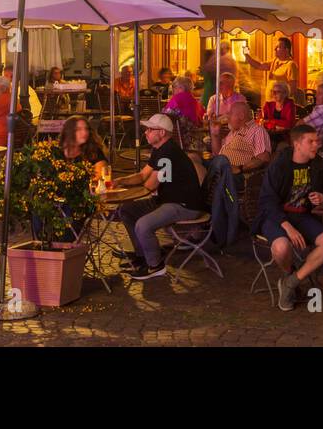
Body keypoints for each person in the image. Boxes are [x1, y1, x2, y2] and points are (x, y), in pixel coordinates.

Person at [256, 124, 323, 310]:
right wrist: (287, 226)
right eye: (310, 141)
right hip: (277, 217)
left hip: (303, 216)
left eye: (316, 141)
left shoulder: (317, 163)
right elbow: (267, 201)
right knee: (282, 246)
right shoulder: (279, 166)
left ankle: (291, 282)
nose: (316, 145)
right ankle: (289, 272)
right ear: (297, 144)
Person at [112, 113, 204, 280]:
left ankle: (155, 265)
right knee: (126, 210)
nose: (146, 132)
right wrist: (119, 181)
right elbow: (142, 175)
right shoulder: (159, 150)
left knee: (143, 225)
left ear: (162, 133)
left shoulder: (168, 153)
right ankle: (143, 256)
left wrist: (125, 191)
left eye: (150, 129)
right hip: (166, 200)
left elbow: (150, 185)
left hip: (183, 205)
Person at [204, 99, 272, 249]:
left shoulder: (257, 131)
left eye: (230, 114)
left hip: (241, 177)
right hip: (221, 173)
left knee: (221, 163)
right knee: (194, 159)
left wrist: (240, 168)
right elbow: (217, 153)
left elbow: (264, 158)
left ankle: (202, 198)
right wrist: (215, 135)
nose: (227, 117)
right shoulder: (232, 133)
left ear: (241, 116)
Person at [245, 36, 299, 102]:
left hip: (280, 104)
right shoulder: (275, 61)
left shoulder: (291, 65)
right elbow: (259, 66)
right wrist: (246, 55)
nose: (275, 49)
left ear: (286, 49)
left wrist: (281, 102)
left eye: (278, 47)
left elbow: (292, 89)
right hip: (270, 102)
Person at [162, 75, 203, 150]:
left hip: (177, 140)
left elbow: (165, 117)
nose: (173, 91)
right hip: (195, 141)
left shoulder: (177, 99)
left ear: (181, 88)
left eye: (174, 87)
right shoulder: (195, 102)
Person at [299, 83, 323, 152]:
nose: (315, 96)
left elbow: (300, 125)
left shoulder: (322, 111)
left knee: (283, 147)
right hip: (319, 145)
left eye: (319, 93)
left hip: (312, 147)